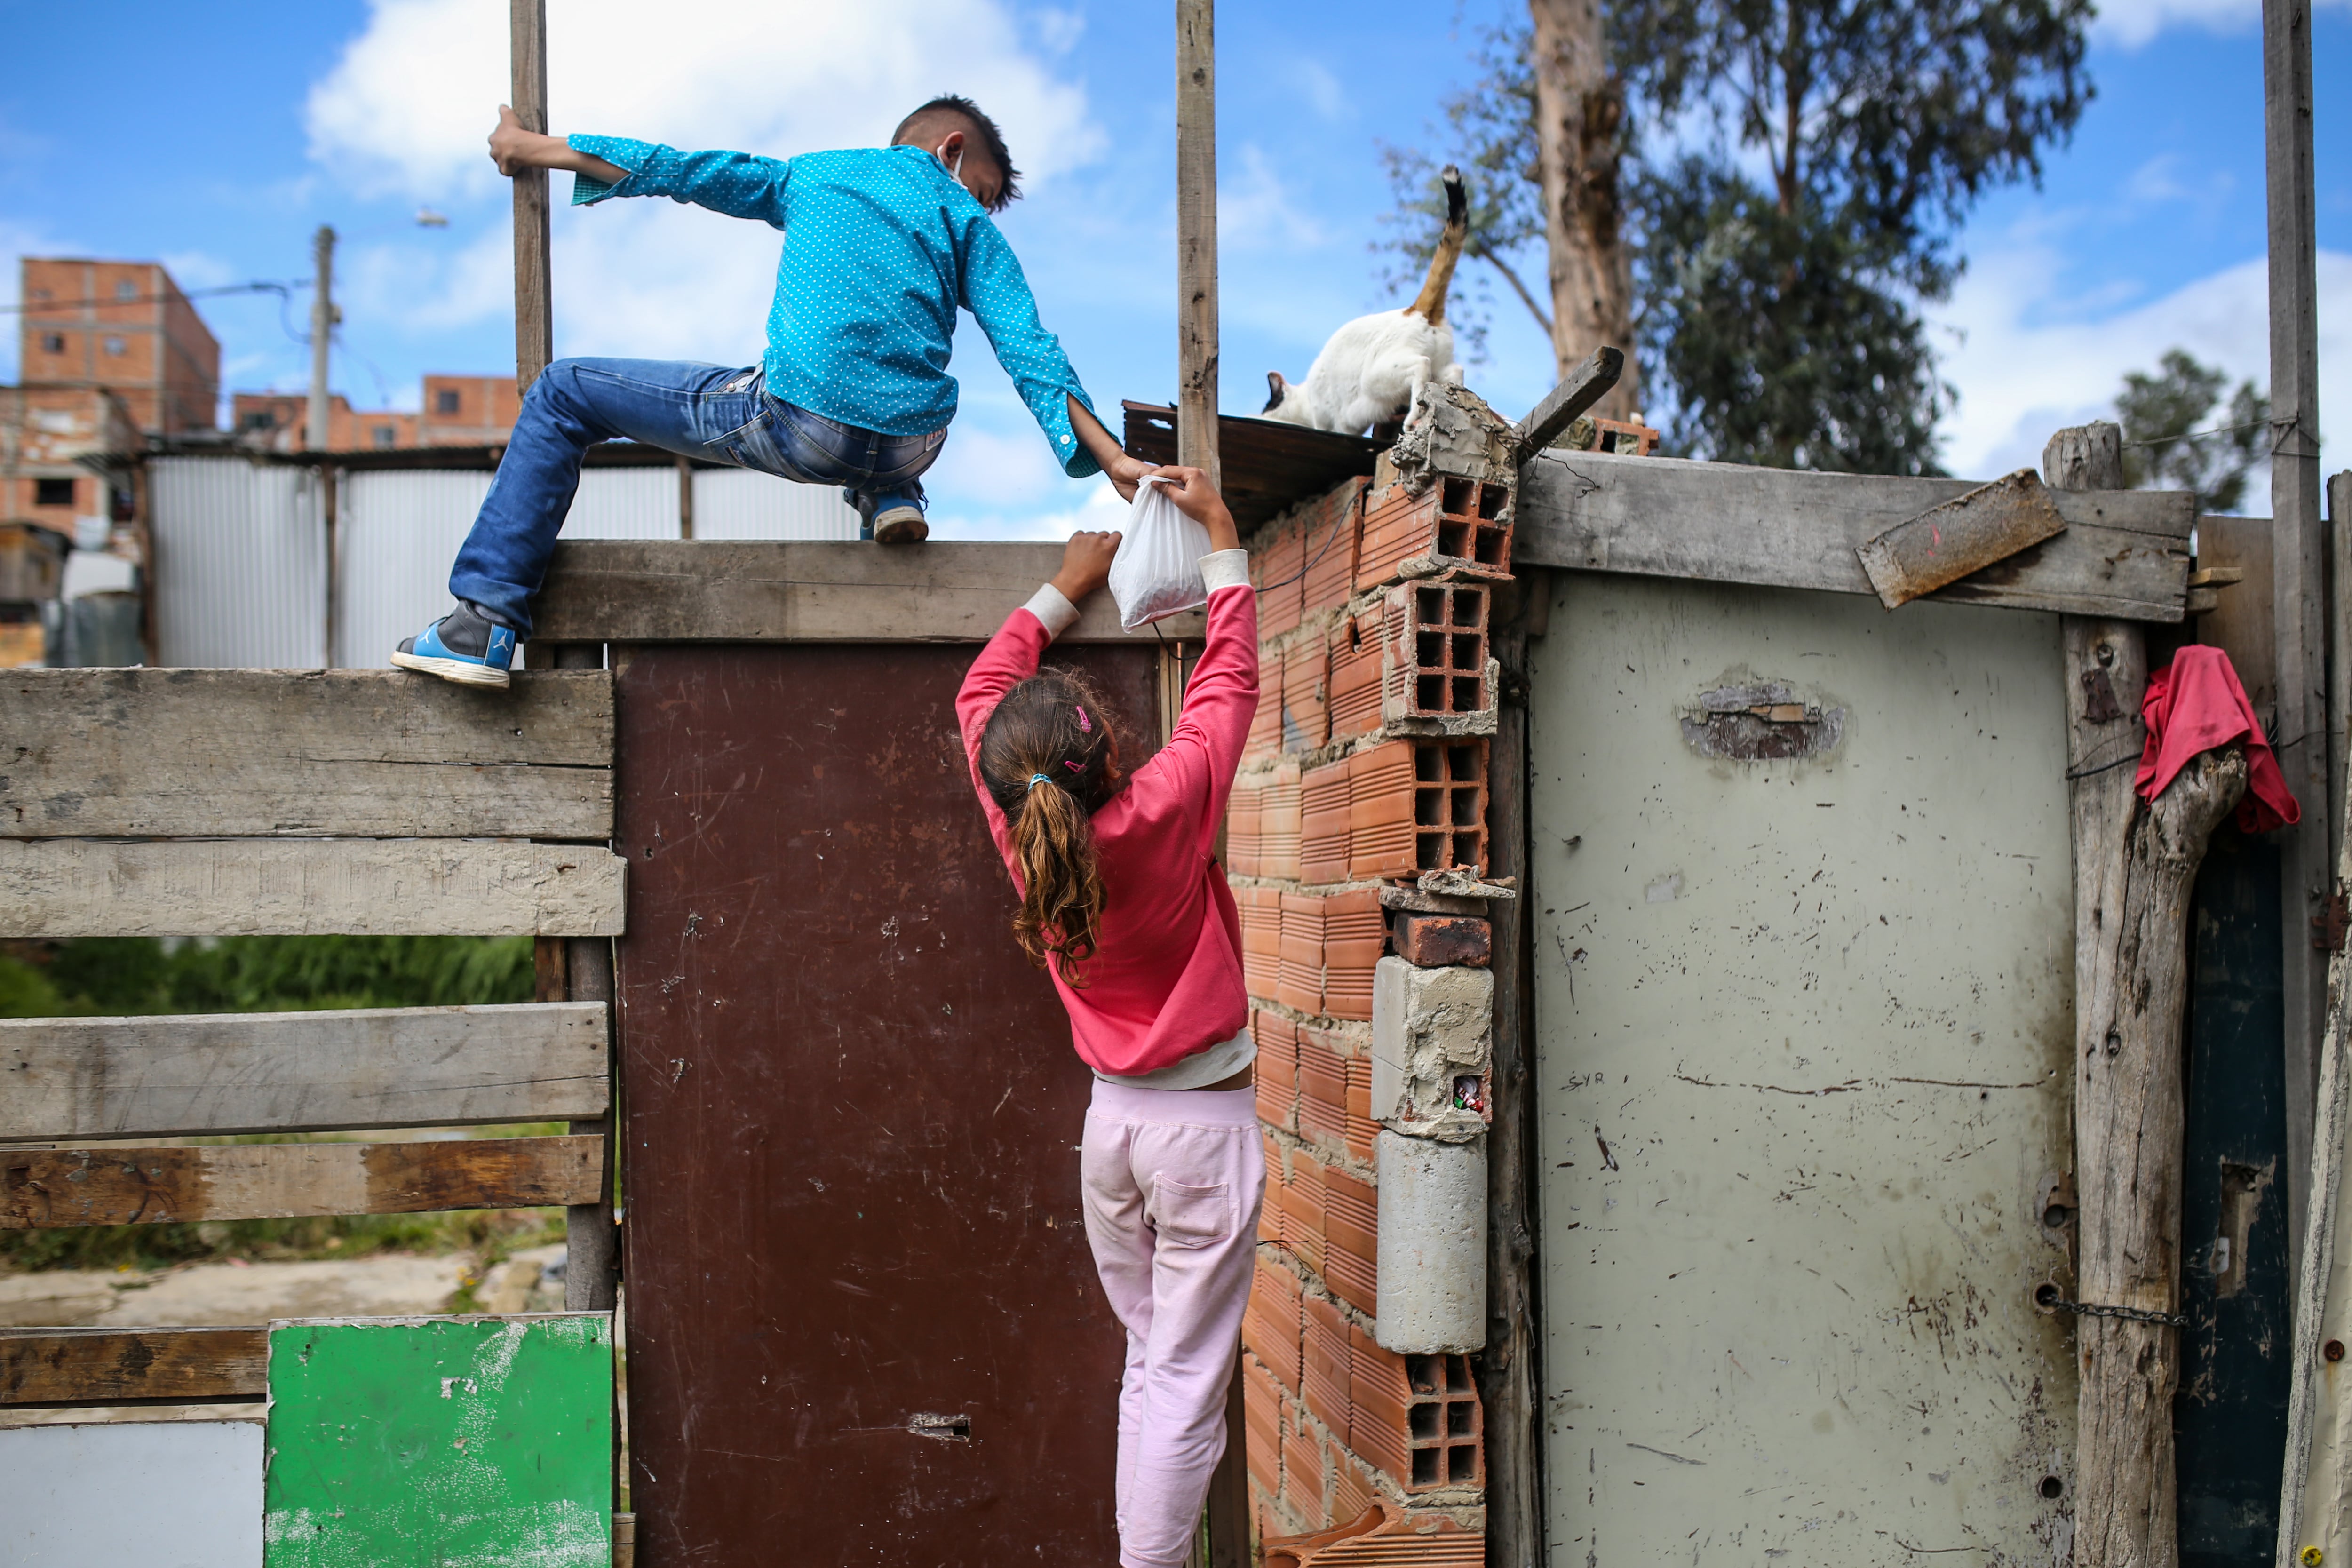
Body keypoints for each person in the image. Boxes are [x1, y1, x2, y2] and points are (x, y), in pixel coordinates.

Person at [393, 94, 1149, 689]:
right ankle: (892, 496)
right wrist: (1111, 458)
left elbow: (676, 168)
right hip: (916, 442)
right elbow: (1030, 348)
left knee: (563, 391)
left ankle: (482, 621)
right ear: (951, 152)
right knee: (890, 410)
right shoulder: (966, 223)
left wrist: (531, 148)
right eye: (980, 193)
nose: (976, 209)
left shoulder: (812, 173)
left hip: (801, 421)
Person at [955, 469, 1261, 1568]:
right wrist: (1221, 536)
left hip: (1114, 1137)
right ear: (1114, 753)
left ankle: (1149, 1552)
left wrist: (1059, 586)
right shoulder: (1167, 806)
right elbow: (1228, 678)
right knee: (1183, 1377)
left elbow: (974, 697)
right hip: (1200, 1140)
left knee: (1153, 1358)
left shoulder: (1014, 826)